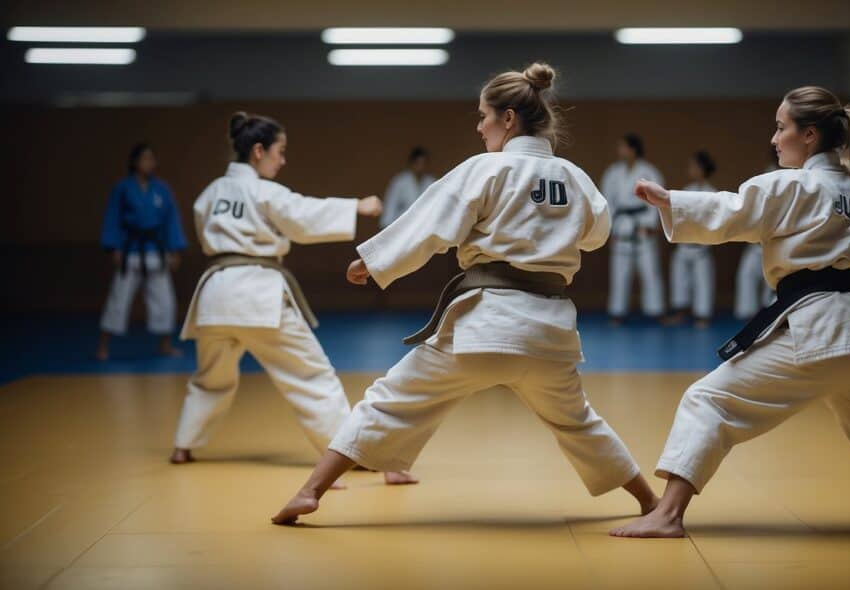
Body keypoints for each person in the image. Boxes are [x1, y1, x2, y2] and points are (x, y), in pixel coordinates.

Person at [272, 63, 657, 525]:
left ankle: (310, 491)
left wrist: (373, 263)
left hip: (484, 326)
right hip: (550, 334)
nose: (479, 127)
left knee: (390, 399)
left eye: (483, 116)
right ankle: (651, 503)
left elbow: (432, 222)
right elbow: (596, 235)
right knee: (579, 422)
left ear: (508, 119)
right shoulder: (575, 177)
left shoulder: (485, 169)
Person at [611, 86, 850, 538]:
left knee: (709, 400)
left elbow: (734, 210)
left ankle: (667, 514)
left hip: (819, 331)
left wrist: (670, 200)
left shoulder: (794, 185)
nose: (774, 137)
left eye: (781, 127)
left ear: (809, 135)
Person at [170, 112, 416, 487]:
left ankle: (183, 445)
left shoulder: (210, 194)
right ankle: (349, 452)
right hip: (256, 293)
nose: (282, 160)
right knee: (311, 376)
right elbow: (302, 215)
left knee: (210, 378)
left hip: (215, 295)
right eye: (279, 152)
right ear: (258, 151)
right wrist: (356, 206)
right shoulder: (264, 192)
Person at [96, 143, 187, 360]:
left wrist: (174, 249)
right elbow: (113, 218)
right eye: (144, 158)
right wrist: (114, 247)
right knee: (119, 298)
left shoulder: (162, 189)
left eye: (151, 159)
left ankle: (165, 344)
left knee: (164, 300)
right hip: (131, 251)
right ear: (134, 162)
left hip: (156, 249)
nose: (149, 163)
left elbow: (171, 220)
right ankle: (103, 345)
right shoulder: (123, 188)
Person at [602, 133, 666, 325]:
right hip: (621, 226)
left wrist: (649, 225)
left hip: (642, 227)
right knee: (619, 272)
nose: (619, 150)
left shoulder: (649, 172)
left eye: (622, 147)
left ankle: (656, 311)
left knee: (650, 272)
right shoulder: (612, 173)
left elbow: (658, 200)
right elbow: (606, 202)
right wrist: (609, 229)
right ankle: (617, 312)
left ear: (633, 149)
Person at [666, 151, 717, 327]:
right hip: (684, 245)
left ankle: (703, 316)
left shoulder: (713, 193)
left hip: (701, 247)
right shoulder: (686, 190)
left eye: (694, 166)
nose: (691, 169)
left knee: (702, 282)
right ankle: (680, 312)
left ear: (702, 169)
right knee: (679, 280)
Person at [734, 151, 778, 319]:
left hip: (779, 243)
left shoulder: (798, 175)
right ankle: (748, 314)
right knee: (746, 274)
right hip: (757, 242)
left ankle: (772, 315)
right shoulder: (766, 175)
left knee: (775, 284)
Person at [381, 146, 436, 228]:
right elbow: (389, 209)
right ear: (411, 164)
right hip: (402, 228)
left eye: (423, 163)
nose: (420, 167)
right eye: (418, 163)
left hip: (425, 227)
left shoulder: (432, 182)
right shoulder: (399, 182)